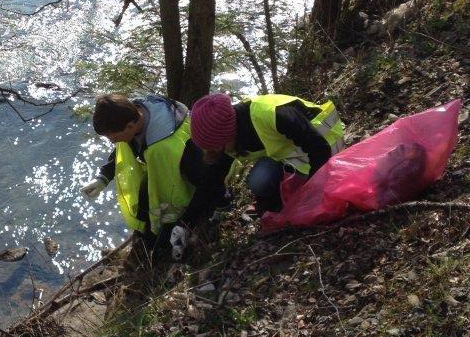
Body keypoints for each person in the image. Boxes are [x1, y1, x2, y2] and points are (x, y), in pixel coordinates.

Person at [81, 93, 227, 260]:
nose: (113, 142)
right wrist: (103, 178)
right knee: (144, 200)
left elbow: (203, 178)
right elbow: (123, 148)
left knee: (161, 240)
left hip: (192, 177)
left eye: (113, 137)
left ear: (129, 126)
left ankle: (156, 249)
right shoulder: (138, 111)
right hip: (172, 171)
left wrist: (193, 218)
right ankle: (144, 242)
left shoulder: (163, 146)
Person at [189, 92, 345, 214]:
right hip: (293, 155)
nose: (217, 151)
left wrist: (313, 192)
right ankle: (279, 201)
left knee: (264, 179)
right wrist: (184, 224)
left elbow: (319, 147)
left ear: (227, 133)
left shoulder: (273, 114)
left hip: (327, 143)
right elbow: (211, 180)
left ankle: (293, 193)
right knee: (259, 180)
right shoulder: (230, 134)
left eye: (217, 146)